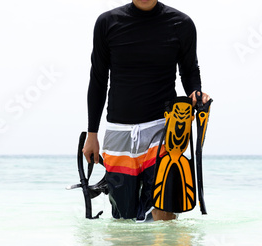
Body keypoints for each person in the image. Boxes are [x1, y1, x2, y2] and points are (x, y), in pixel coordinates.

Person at [83, 0, 210, 222]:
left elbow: (189, 70)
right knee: (123, 219)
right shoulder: (107, 23)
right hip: (119, 131)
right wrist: (92, 134)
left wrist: (195, 92)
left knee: (164, 207)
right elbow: (98, 79)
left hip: (162, 130)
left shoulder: (181, 23)